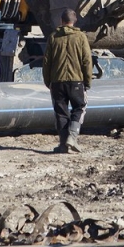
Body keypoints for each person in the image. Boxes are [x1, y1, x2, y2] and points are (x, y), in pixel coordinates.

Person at [42, 9, 92, 154]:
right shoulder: (81, 37)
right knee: (79, 107)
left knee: (61, 113)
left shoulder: (53, 37)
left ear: (61, 21)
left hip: (57, 81)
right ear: (74, 21)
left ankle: (64, 144)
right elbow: (87, 61)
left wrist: (48, 81)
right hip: (76, 81)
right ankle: (73, 137)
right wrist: (87, 81)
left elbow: (47, 62)